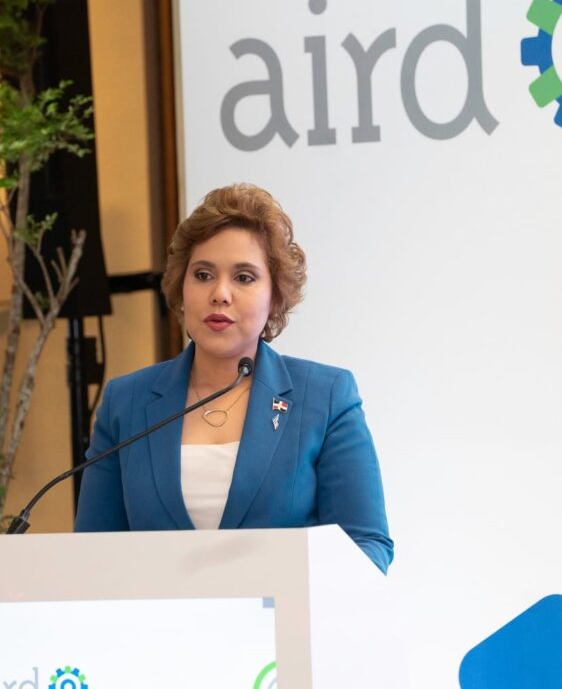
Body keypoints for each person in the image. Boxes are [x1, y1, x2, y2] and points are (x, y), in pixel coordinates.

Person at [74, 184, 393, 573]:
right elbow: (92, 556)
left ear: (275, 297)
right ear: (181, 288)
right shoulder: (126, 402)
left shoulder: (325, 397)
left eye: (244, 277)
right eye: (203, 274)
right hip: (158, 614)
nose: (220, 294)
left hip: (284, 611)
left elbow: (367, 546)